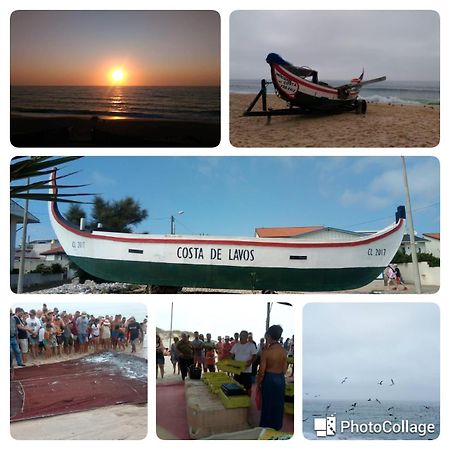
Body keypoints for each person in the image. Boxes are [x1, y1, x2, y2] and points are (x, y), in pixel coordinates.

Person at [257, 324, 287, 430]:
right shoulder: (284, 351)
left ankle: (265, 428)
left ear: (269, 336)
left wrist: (258, 383)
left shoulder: (266, 352)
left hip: (269, 378)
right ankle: (277, 427)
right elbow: (284, 370)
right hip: (280, 378)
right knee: (278, 404)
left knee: (267, 405)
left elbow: (261, 371)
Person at [230, 330, 257, 395]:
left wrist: (251, 361)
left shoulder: (251, 345)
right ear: (240, 336)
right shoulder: (236, 345)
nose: (243, 337)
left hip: (247, 371)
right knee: (236, 386)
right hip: (237, 370)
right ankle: (238, 399)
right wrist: (231, 363)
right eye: (242, 335)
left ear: (247, 336)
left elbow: (255, 356)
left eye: (245, 335)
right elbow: (231, 355)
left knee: (248, 388)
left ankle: (248, 401)